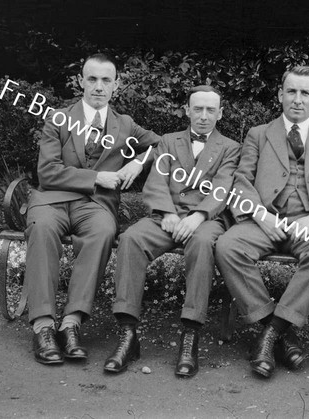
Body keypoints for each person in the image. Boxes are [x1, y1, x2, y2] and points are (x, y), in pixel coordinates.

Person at [215, 65, 309, 378]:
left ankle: (271, 334)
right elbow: (241, 179)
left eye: (305, 93)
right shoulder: (259, 134)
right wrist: (259, 214)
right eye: (291, 91)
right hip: (265, 220)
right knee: (227, 246)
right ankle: (279, 332)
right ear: (280, 95)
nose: (297, 99)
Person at [26, 53, 162, 365]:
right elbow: (47, 172)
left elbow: (165, 144)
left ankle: (71, 323)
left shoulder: (124, 124)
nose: (98, 87)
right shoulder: (57, 118)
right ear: (81, 82)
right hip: (53, 200)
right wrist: (96, 176)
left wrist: (138, 162)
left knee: (103, 231)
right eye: (92, 79)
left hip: (96, 205)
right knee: (43, 228)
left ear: (117, 85)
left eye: (105, 80)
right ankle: (43, 327)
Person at [104, 85, 240, 376]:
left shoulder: (230, 147)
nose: (203, 116)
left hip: (205, 220)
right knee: (130, 239)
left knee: (202, 245)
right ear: (187, 110)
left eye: (210, 110)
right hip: (166, 217)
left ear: (220, 113)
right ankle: (128, 334)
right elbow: (156, 180)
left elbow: (223, 188)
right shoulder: (168, 141)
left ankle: (190, 335)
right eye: (198, 109)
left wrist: (199, 215)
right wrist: (165, 212)